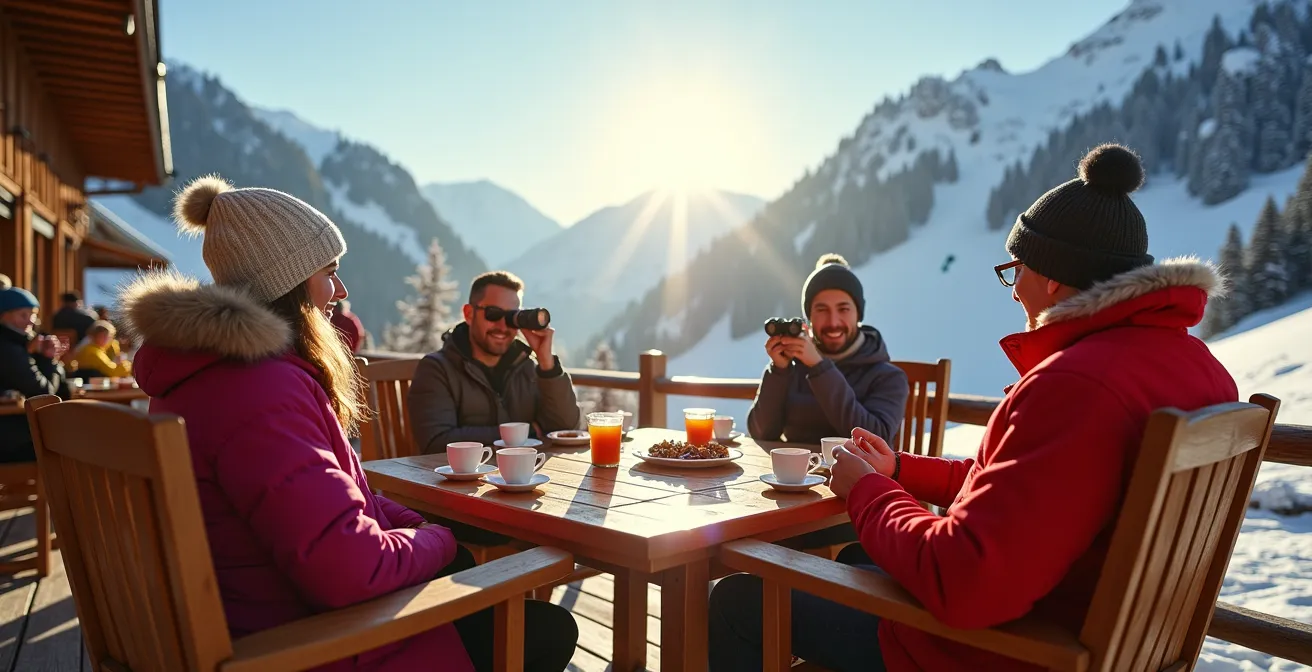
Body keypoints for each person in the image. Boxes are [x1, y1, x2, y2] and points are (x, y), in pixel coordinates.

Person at [708, 144, 1240, 672]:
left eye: (1016, 269)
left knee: (738, 598)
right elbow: (1024, 489)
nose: (1013, 291)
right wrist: (898, 470)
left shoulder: (1077, 384)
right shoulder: (1200, 370)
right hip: (1084, 633)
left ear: (1052, 276)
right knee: (856, 558)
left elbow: (962, 583)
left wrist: (868, 490)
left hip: (994, 650)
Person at [121, 175, 577, 672]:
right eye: (329, 272)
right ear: (288, 281)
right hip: (309, 643)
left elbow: (337, 501)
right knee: (549, 628)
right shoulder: (259, 390)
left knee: (474, 576)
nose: (339, 291)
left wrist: (418, 527)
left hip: (260, 614)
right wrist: (441, 538)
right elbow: (350, 570)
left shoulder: (206, 378)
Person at [408, 271, 582, 454]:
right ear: (469, 314)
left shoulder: (527, 367)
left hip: (522, 471)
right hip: (462, 473)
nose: (502, 326)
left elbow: (566, 428)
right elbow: (436, 442)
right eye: (493, 314)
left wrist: (547, 363)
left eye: (511, 317)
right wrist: (527, 433)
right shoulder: (437, 369)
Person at [747, 253, 909, 446]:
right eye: (822, 310)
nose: (833, 322)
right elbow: (762, 433)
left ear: (858, 314)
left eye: (843, 309)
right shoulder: (794, 366)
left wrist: (819, 367)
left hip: (855, 468)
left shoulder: (888, 377)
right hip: (797, 466)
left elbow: (875, 441)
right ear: (809, 317)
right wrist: (779, 371)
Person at [0, 285, 67, 463]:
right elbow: (44, 393)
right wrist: (48, 359)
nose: (30, 321)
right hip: (11, 438)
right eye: (23, 315)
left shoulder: (20, 345)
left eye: (33, 315)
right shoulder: (9, 349)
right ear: (3, 316)